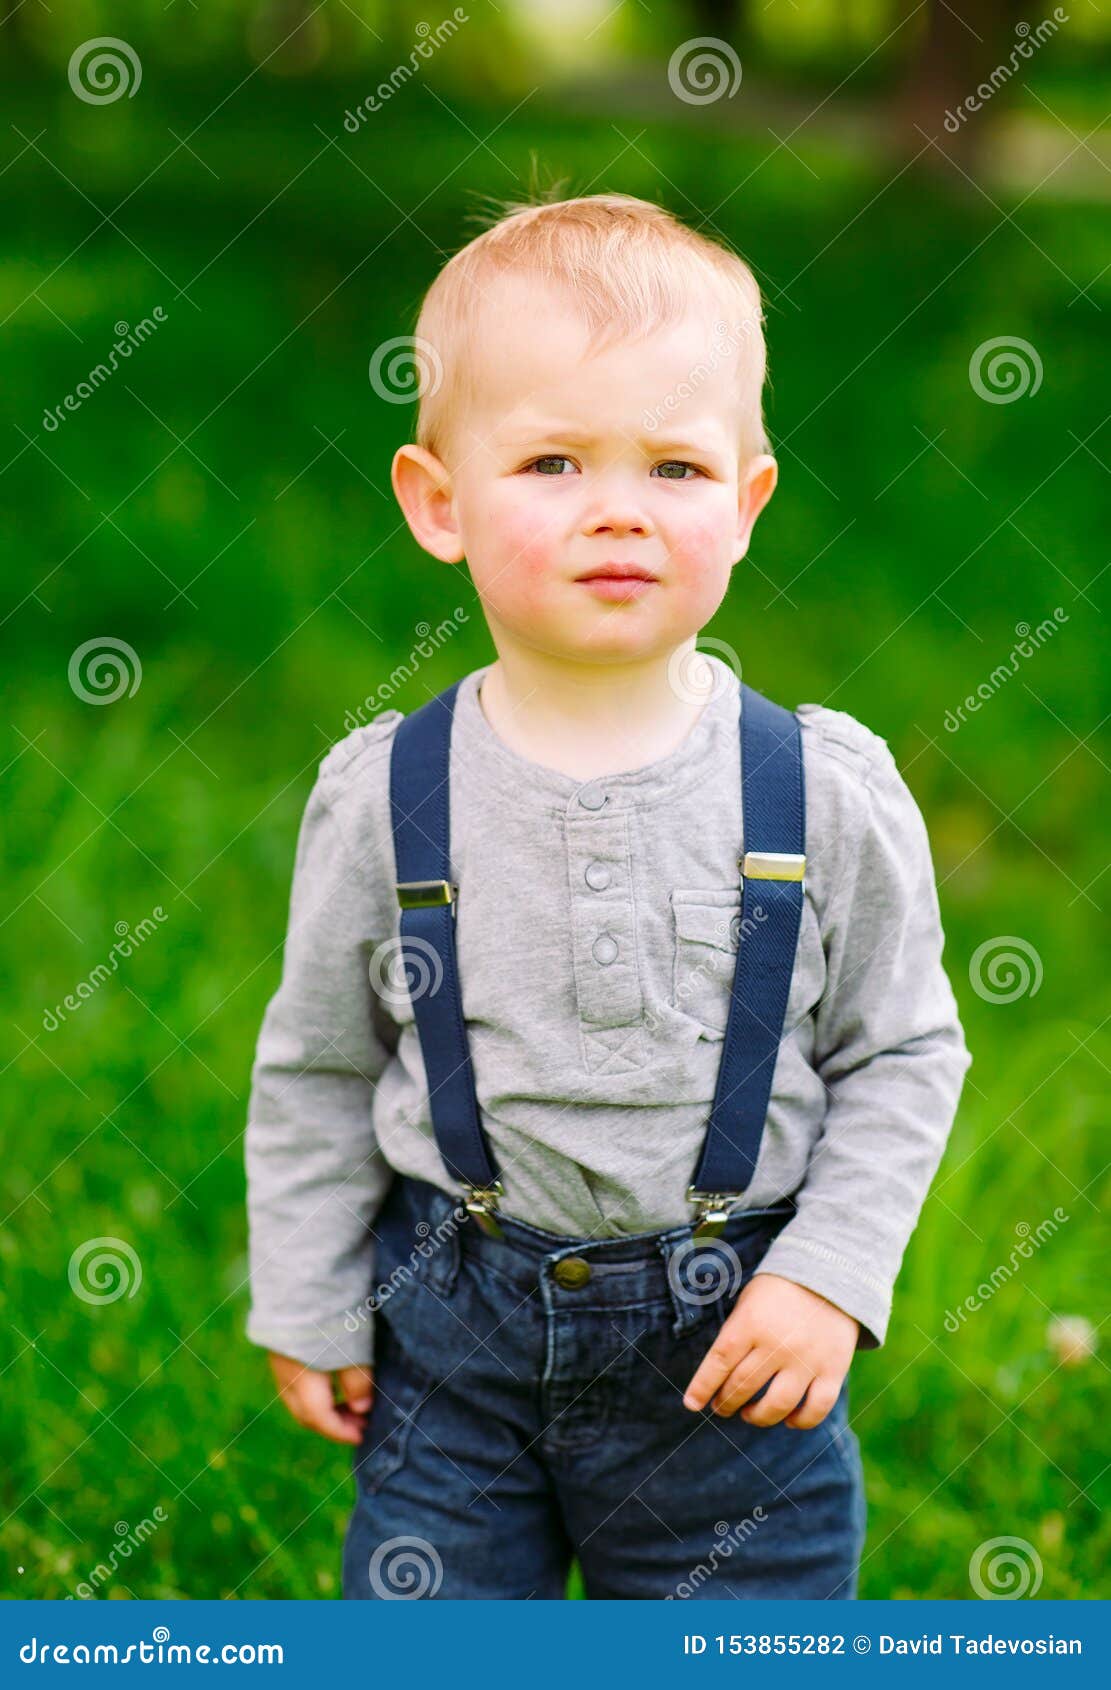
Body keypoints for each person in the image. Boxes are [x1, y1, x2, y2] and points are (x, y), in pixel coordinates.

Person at [243, 193, 972, 1600]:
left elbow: (901, 1049)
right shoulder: (388, 791)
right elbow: (321, 1062)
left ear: (747, 505)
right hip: (450, 1345)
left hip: (733, 1353)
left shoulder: (820, 789)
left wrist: (828, 1272)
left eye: (677, 467)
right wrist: (311, 1294)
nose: (620, 509)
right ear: (439, 503)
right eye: (554, 460)